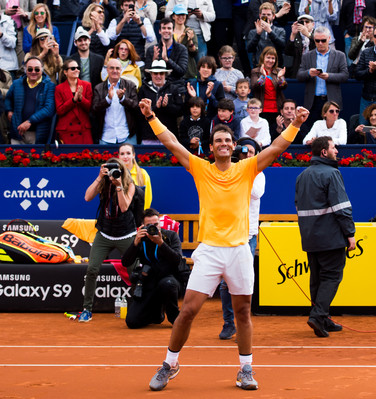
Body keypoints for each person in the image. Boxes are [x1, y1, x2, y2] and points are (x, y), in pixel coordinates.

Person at [139, 95, 309, 392]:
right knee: (189, 310)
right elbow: (171, 144)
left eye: (227, 141)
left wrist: (295, 123)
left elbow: (278, 147)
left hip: (240, 250)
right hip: (209, 250)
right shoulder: (200, 169)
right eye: (218, 140)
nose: (223, 144)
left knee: (243, 312)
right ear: (212, 145)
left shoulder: (247, 168)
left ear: (234, 146)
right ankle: (170, 363)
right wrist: (151, 117)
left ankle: (245, 369)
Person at [295, 135, 355, 338]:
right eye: (333, 147)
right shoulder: (332, 173)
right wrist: (350, 234)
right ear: (324, 152)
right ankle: (318, 316)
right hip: (330, 237)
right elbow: (342, 208)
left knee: (317, 279)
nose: (337, 150)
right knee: (331, 277)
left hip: (310, 238)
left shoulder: (302, 176)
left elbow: (298, 205)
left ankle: (323, 317)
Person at [79, 159, 138, 323]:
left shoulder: (129, 185)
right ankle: (87, 309)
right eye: (110, 170)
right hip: (104, 234)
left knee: (134, 272)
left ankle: (137, 307)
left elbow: (124, 206)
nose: (113, 173)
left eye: (116, 170)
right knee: (92, 269)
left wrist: (118, 185)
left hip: (126, 234)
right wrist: (99, 177)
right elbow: (87, 197)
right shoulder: (103, 183)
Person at [218, 136, 265, 340]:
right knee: (225, 283)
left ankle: (241, 323)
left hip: (247, 234)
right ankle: (228, 323)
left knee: (243, 281)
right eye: (243, 151)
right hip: (226, 233)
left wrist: (243, 168)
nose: (246, 155)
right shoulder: (228, 169)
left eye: (250, 152)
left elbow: (254, 193)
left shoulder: (258, 173)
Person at [122, 208, 188, 328]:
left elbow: (177, 260)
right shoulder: (141, 239)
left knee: (167, 284)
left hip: (169, 279)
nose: (153, 227)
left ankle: (174, 317)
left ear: (160, 223)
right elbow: (125, 262)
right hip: (149, 281)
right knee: (132, 322)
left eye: (156, 224)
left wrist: (161, 243)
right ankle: (157, 314)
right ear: (143, 226)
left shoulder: (170, 236)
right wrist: (135, 243)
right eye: (149, 225)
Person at [296, 26, 348, 129]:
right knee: (312, 132)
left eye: (323, 40)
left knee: (332, 131)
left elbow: (345, 76)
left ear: (329, 39)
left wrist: (329, 76)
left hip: (331, 100)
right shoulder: (307, 56)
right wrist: (308, 73)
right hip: (313, 101)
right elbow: (299, 75)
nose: (320, 43)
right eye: (317, 40)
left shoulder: (339, 55)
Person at [5, 56, 56, 144]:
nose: (33, 72)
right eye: (30, 69)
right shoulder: (16, 83)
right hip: (17, 133)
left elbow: (49, 109)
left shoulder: (49, 86)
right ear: (25, 70)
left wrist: (30, 121)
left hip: (37, 134)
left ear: (42, 70)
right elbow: (8, 98)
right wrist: (9, 110)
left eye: (37, 69)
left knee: (36, 158)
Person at [92, 57, 139, 145]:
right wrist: (107, 99)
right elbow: (94, 109)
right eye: (112, 68)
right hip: (106, 137)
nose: (115, 71)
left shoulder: (130, 85)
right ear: (107, 70)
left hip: (127, 135)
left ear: (121, 70)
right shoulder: (98, 88)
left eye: (117, 68)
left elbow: (137, 107)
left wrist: (123, 99)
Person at [138, 59, 183, 143]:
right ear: (151, 74)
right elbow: (139, 113)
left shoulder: (174, 89)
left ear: (166, 74)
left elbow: (180, 111)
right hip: (149, 137)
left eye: (161, 73)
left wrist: (167, 106)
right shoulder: (143, 89)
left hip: (169, 136)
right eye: (155, 73)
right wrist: (155, 107)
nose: (158, 76)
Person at [54, 58, 93, 144]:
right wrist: (73, 100)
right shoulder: (59, 88)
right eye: (73, 68)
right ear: (65, 72)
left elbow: (89, 108)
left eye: (78, 68)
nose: (76, 70)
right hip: (67, 130)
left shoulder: (87, 85)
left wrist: (81, 99)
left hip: (83, 130)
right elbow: (59, 110)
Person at [250, 46, 287, 132]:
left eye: (273, 58)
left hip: (276, 109)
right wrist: (263, 76)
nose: (270, 60)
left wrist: (280, 78)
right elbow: (255, 87)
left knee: (275, 132)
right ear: (263, 57)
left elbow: (284, 86)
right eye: (268, 57)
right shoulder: (256, 71)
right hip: (262, 109)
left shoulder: (278, 71)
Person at [144, 17, 189, 84]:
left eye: (169, 28)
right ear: (159, 31)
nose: (166, 31)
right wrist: (154, 61)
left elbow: (182, 72)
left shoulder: (182, 49)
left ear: (173, 31)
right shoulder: (151, 50)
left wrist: (167, 60)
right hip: (157, 86)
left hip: (176, 86)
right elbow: (147, 75)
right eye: (164, 28)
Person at [340, 0, 376, 65]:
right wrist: (345, 33)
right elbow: (342, 16)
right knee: (351, 63)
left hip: (370, 37)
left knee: (370, 63)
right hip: (351, 35)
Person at [186, 55, 225, 120]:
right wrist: (193, 98)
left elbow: (221, 107)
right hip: (196, 121)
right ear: (199, 69)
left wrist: (210, 96)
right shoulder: (192, 85)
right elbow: (186, 108)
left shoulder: (218, 85)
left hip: (212, 120)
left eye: (209, 67)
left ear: (212, 70)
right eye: (203, 67)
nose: (205, 70)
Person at [118, 143, 153, 209]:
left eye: (128, 153)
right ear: (119, 156)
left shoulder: (143, 173)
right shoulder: (116, 174)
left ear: (133, 155)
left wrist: (142, 214)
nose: (125, 157)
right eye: (122, 154)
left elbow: (148, 197)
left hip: (138, 214)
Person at [171, 4, 198, 79]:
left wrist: (190, 42)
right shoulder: (168, 32)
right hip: (172, 71)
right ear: (173, 16)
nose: (181, 17)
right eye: (178, 14)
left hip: (188, 72)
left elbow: (194, 52)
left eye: (183, 14)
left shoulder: (190, 31)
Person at [285, 14, 315, 79]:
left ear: (313, 24)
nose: (304, 24)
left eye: (307, 22)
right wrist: (293, 34)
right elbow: (288, 52)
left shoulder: (317, 34)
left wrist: (308, 34)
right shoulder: (296, 35)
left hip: (313, 68)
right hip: (298, 68)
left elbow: (319, 47)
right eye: (301, 22)